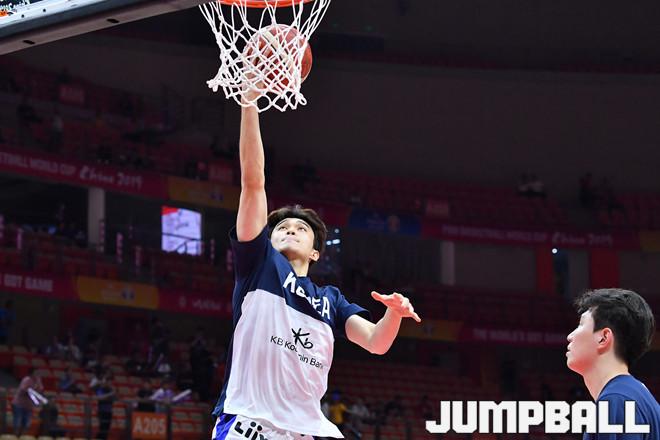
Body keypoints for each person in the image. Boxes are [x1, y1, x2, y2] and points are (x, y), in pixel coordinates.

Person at [210, 94, 421, 440]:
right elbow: (253, 182)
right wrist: (249, 102)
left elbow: (376, 342)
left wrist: (394, 314)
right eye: (282, 227)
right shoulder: (258, 265)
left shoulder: (331, 300)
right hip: (249, 421)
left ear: (315, 253)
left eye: (301, 228)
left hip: (306, 431)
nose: (290, 229)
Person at [566, 288, 659, 439]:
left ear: (603, 338)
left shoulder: (616, 400)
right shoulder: (632, 394)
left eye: (581, 324)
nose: (570, 336)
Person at [12, 368, 44, 436]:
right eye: (36, 373)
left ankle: (23, 436)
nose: (37, 374)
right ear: (32, 373)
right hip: (19, 404)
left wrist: (37, 386)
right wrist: (33, 391)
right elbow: (23, 390)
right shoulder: (27, 380)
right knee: (18, 421)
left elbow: (40, 390)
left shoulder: (38, 380)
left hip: (29, 406)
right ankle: (15, 436)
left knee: (27, 423)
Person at [92, 371, 115, 440]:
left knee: (107, 429)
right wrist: (110, 394)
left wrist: (113, 391)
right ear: (106, 382)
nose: (110, 384)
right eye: (109, 382)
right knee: (102, 428)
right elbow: (100, 397)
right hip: (102, 411)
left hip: (109, 412)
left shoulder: (111, 390)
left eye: (111, 382)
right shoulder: (100, 389)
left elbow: (116, 398)